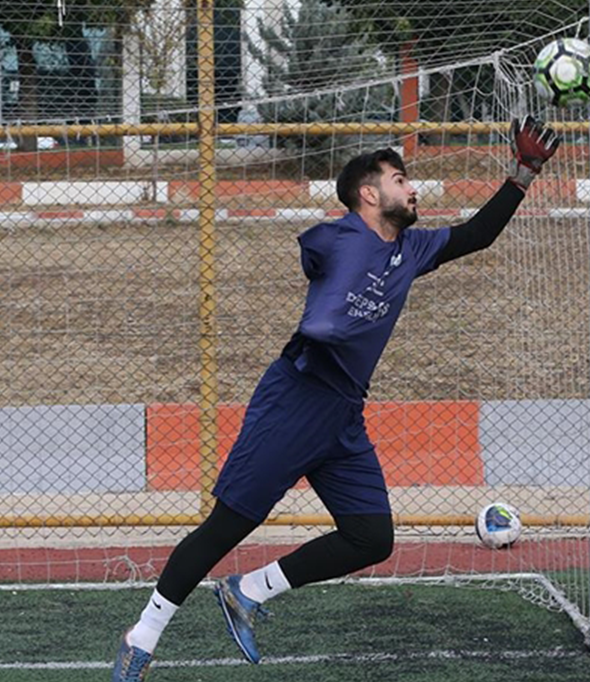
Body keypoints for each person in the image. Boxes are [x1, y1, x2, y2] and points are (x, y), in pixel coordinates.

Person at [112, 116, 561, 682]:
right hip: (297, 400)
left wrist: (522, 175)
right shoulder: (343, 235)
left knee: (371, 537)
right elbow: (318, 255)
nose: (413, 187)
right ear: (369, 194)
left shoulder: (412, 248)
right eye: (400, 180)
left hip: (343, 413)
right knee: (227, 526)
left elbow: (478, 234)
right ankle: (141, 639)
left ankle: (247, 591)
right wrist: (325, 318)